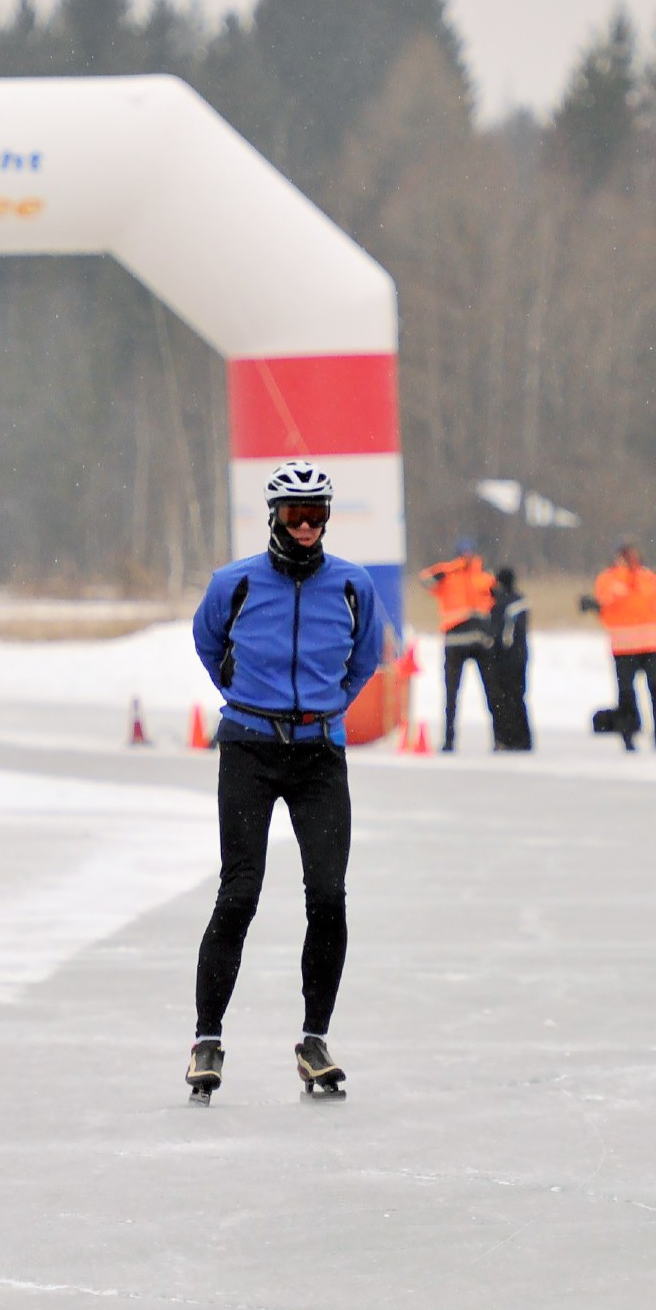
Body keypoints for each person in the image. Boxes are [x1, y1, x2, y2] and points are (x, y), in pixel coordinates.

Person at [185, 459, 385, 1106]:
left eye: (317, 513)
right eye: (295, 513)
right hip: (249, 749)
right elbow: (208, 643)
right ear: (273, 515)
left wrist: (325, 707)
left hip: (319, 754)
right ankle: (207, 1038)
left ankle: (314, 1039)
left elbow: (365, 659)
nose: (306, 525)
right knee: (239, 893)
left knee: (328, 895)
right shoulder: (234, 582)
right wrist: (248, 699)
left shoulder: (352, 585)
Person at [587, 541, 656, 751]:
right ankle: (628, 734)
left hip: (650, 645)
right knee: (627, 693)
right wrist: (623, 575)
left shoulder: (649, 579)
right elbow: (607, 601)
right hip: (623, 648)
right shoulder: (609, 579)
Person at [418, 540, 495, 753]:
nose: (468, 557)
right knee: (451, 694)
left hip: (479, 642)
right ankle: (449, 740)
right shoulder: (448, 574)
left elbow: (495, 601)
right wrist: (452, 568)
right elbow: (425, 580)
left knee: (491, 692)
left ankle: (498, 738)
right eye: (464, 553)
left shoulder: (485, 577)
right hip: (455, 643)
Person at [486, 567, 533, 752]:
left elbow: (501, 634)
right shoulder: (521, 600)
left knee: (502, 699)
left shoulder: (502, 604)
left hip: (504, 658)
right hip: (521, 656)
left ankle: (506, 739)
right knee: (518, 697)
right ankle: (524, 739)